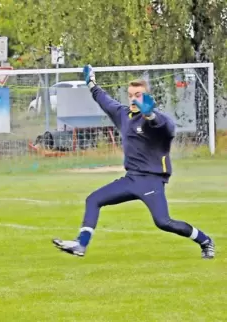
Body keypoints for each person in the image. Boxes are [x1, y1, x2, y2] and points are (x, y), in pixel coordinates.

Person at [52, 64, 215, 259]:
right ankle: (81, 244)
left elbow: (166, 127)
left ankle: (205, 241)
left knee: (163, 222)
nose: (133, 98)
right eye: (130, 95)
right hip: (131, 179)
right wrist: (91, 82)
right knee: (93, 199)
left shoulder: (157, 119)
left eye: (138, 94)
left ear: (147, 97)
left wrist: (150, 115)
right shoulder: (123, 115)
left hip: (151, 181)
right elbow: (103, 99)